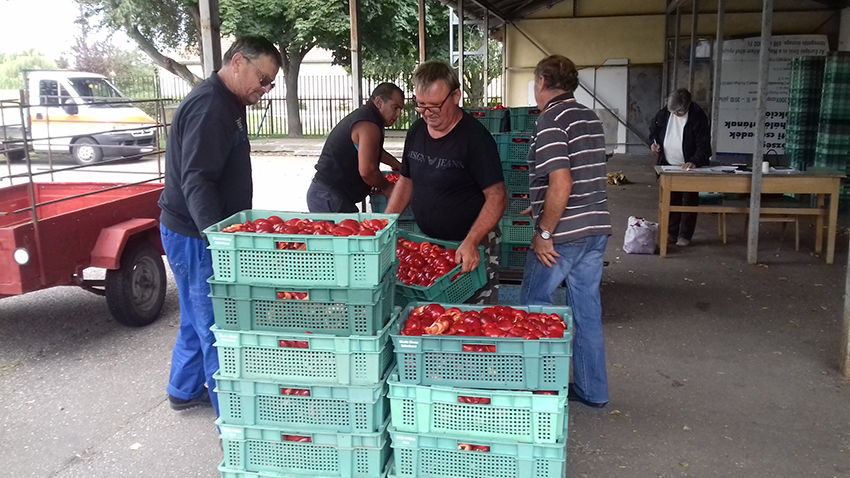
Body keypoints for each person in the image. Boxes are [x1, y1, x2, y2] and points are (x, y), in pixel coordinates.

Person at [157, 36, 282, 414]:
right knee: (215, 325)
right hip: (196, 236)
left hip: (192, 232)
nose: (264, 89)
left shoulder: (228, 102)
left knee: (197, 317)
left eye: (270, 83)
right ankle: (233, 421)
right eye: (262, 79)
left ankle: (183, 389)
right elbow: (196, 179)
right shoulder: (211, 107)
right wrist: (219, 240)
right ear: (238, 61)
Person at [519, 55, 612, 408]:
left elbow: (562, 182)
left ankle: (538, 388)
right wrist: (541, 204)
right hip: (595, 230)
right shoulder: (589, 117)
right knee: (586, 311)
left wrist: (544, 231)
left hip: (563, 238)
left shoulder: (550, 121)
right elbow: (584, 175)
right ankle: (593, 390)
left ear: (542, 81)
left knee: (533, 307)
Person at [385, 61, 506, 304]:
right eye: (421, 105)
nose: (428, 113)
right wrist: (384, 224)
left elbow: (498, 197)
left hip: (472, 244)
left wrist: (471, 242)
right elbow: (406, 180)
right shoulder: (417, 131)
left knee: (473, 316)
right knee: (432, 314)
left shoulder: (475, 139)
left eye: (435, 105)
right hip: (431, 244)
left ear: (455, 96)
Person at [307, 83, 405, 213]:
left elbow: (373, 150)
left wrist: (395, 163)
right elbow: (367, 172)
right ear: (379, 102)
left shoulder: (368, 117)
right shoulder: (368, 124)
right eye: (395, 107)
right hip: (328, 195)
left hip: (327, 193)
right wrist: (387, 186)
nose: (398, 114)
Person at [649, 88, 712, 247]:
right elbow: (653, 131)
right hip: (668, 165)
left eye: (678, 112)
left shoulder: (698, 117)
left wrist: (694, 161)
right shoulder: (664, 114)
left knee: (689, 200)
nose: (675, 114)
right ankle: (671, 233)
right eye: (673, 111)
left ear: (687, 106)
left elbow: (703, 146)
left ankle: (685, 235)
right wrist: (653, 143)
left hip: (688, 167)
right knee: (671, 199)